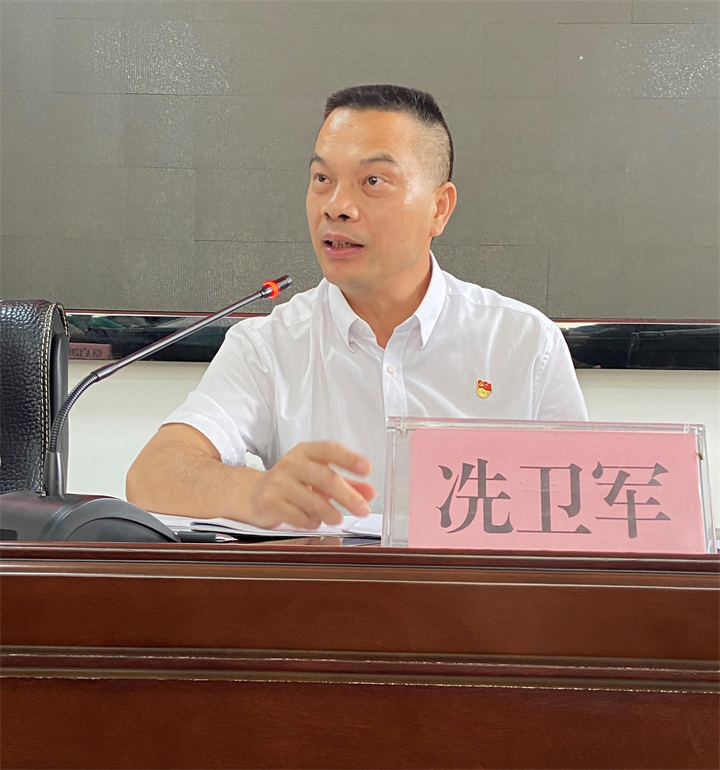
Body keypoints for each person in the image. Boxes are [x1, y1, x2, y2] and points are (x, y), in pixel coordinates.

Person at [126, 84, 588, 529]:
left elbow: (582, 510)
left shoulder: (524, 343)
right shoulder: (268, 346)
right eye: (322, 179)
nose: (336, 206)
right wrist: (255, 490)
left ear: (439, 209)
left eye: (373, 181)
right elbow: (152, 474)